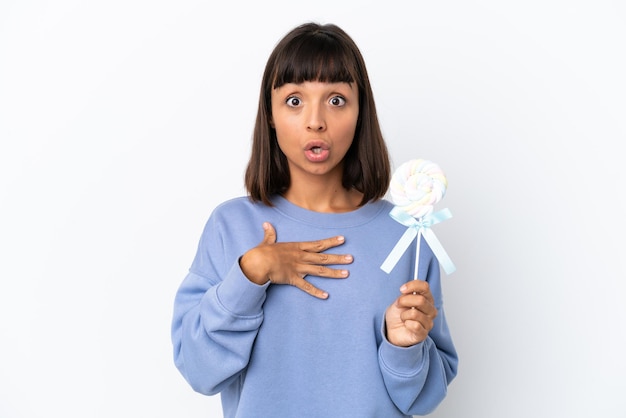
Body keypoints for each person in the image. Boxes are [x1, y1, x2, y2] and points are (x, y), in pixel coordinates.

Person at [171, 22, 458, 417]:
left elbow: (424, 399)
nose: (315, 121)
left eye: (337, 100)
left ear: (360, 113)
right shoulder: (231, 225)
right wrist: (252, 272)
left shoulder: (407, 235)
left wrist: (403, 347)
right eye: (294, 101)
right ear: (269, 115)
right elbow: (198, 371)